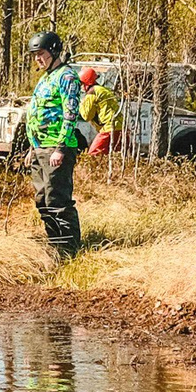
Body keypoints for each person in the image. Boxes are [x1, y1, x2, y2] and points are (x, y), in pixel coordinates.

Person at [24, 29, 84, 253]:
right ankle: (54, 245)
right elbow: (37, 113)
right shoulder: (45, 78)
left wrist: (60, 148)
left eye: (41, 54)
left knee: (57, 201)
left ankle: (69, 249)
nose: (38, 59)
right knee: (42, 201)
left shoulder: (66, 77)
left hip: (57, 148)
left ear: (54, 51)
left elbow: (71, 114)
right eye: (35, 55)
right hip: (40, 148)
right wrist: (32, 147)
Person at [77, 65, 123, 160]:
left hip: (108, 129)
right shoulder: (102, 90)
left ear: (85, 83)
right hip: (121, 128)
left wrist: (80, 103)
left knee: (92, 157)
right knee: (117, 158)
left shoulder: (92, 92)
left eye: (81, 84)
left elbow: (86, 116)